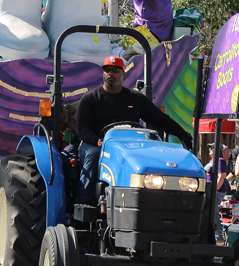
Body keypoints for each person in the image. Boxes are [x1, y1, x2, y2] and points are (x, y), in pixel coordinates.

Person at [75, 55, 194, 204]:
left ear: (123, 74)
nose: (110, 73)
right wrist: (97, 140)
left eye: (115, 70)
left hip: (129, 145)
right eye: (107, 70)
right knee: (93, 157)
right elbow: (82, 128)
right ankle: (85, 204)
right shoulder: (90, 99)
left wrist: (185, 136)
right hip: (96, 144)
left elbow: (161, 120)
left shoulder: (135, 98)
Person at [205, 143, 232, 240]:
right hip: (209, 190)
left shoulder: (220, 160)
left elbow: (222, 176)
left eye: (212, 148)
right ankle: (212, 235)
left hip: (217, 190)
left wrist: (215, 189)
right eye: (210, 148)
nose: (210, 149)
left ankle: (219, 237)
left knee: (214, 213)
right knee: (210, 212)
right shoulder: (211, 161)